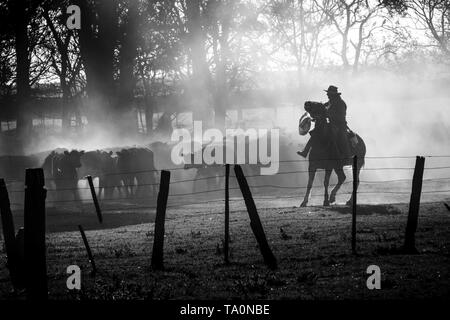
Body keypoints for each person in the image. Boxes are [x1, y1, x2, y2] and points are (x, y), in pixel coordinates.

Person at [297, 85, 351, 159]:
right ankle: (305, 151)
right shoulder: (330, 102)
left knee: (341, 137)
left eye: (329, 93)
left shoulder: (341, 103)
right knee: (316, 132)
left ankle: (346, 156)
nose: (327, 94)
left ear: (333, 94)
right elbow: (323, 108)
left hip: (340, 125)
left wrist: (328, 115)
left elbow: (341, 116)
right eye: (328, 93)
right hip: (330, 124)